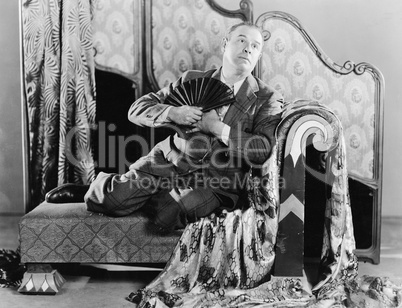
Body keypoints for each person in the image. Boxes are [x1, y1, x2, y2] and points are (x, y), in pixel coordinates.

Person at [46, 21, 283, 232]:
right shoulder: (193, 80)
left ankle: (137, 192)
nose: (248, 48)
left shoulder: (267, 98)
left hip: (217, 182)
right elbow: (137, 109)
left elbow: (262, 150)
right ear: (224, 45)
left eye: (255, 45)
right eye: (241, 40)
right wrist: (173, 113)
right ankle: (98, 186)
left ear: (259, 55)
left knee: (167, 215)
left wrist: (217, 128)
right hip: (168, 162)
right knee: (112, 202)